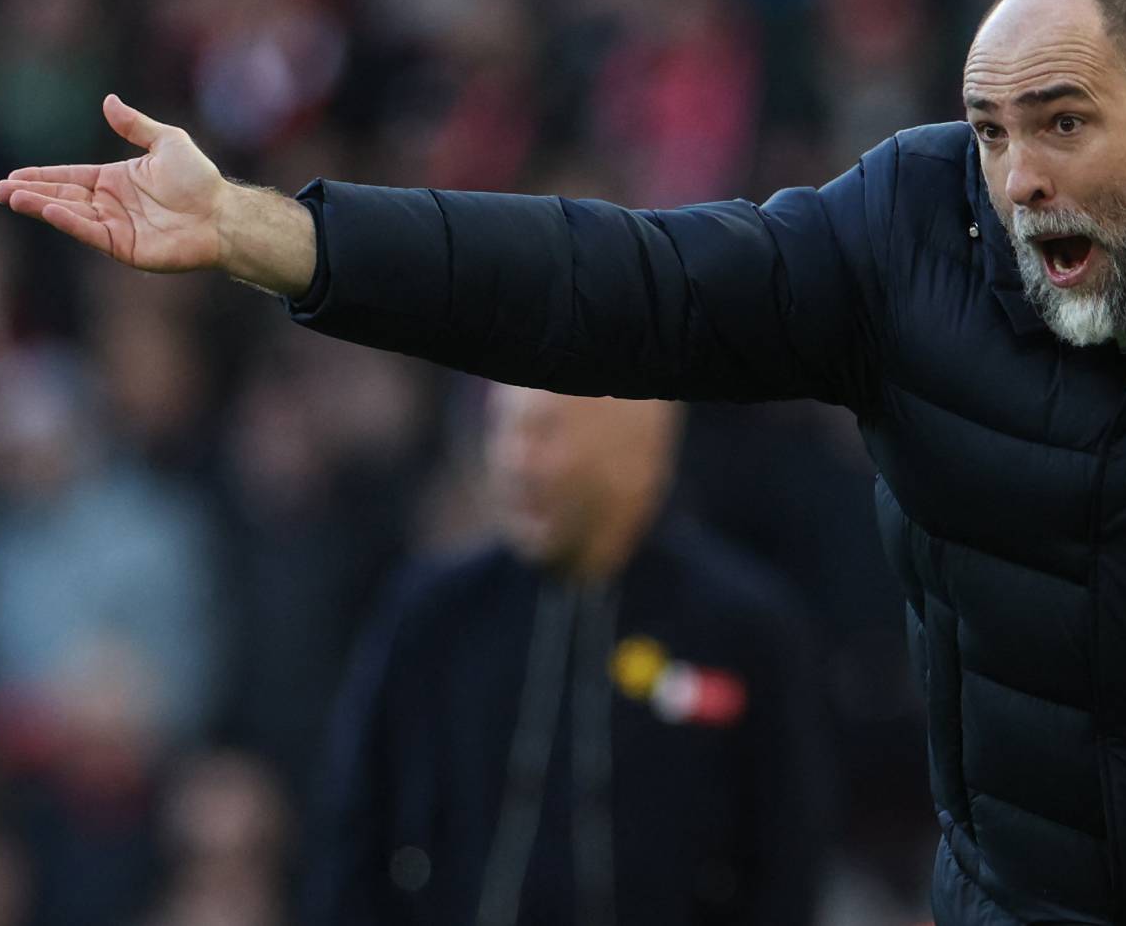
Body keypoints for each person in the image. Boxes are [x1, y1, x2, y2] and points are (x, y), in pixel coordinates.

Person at [0, 0, 1126, 926]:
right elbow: (625, 286)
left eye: (1061, 124)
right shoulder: (913, 232)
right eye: (987, 131)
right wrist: (276, 234)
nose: (1016, 178)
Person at [301, 383, 825, 925]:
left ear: (640, 455)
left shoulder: (742, 628)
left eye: (545, 432)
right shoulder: (432, 615)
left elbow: (785, 862)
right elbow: (352, 838)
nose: (515, 460)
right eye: (503, 428)